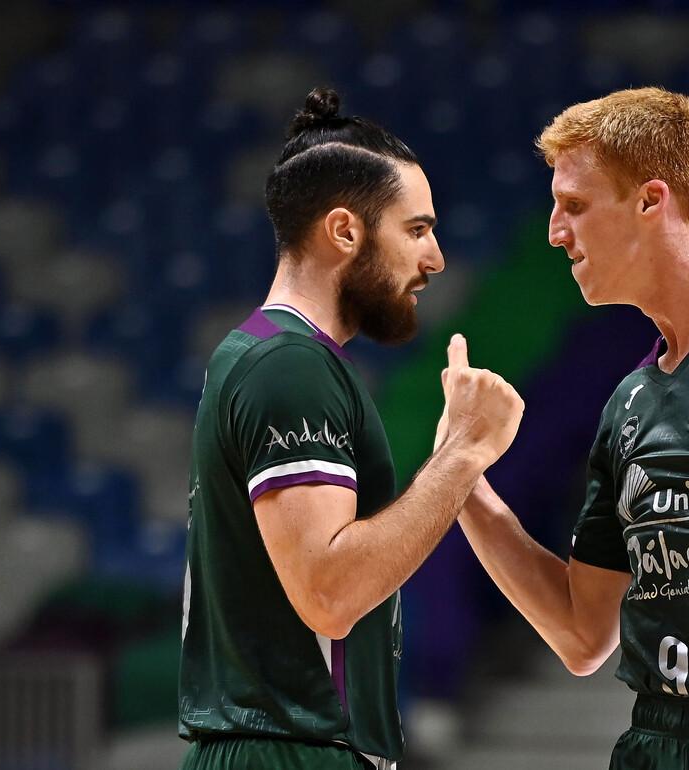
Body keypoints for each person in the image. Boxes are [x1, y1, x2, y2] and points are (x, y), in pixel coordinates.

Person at [177, 87, 524, 770]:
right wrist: (462, 455)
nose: (437, 258)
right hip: (289, 753)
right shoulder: (290, 366)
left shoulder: (271, 355)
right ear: (345, 231)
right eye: (418, 229)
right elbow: (329, 593)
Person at [454, 86, 689, 769]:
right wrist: (460, 474)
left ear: (650, 201)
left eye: (573, 206)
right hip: (659, 742)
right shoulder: (629, 402)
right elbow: (582, 634)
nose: (554, 231)